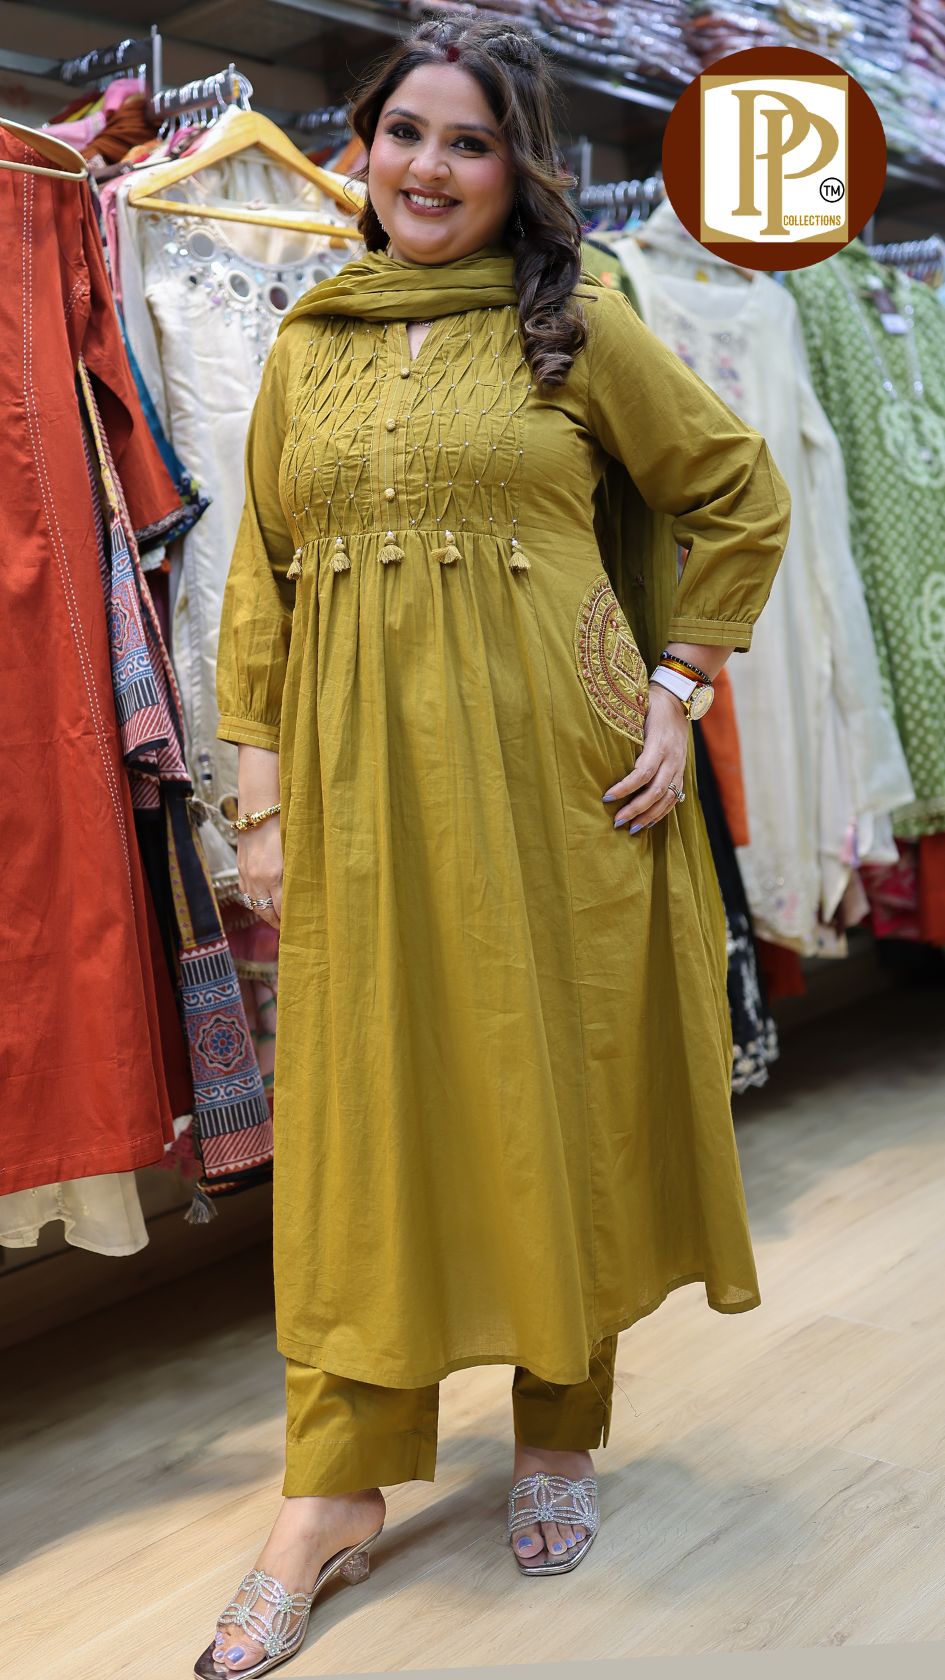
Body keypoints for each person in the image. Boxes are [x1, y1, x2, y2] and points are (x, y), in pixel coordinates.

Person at [197, 16, 790, 1676]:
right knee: (360, 1116)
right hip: (359, 788)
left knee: (550, 1090)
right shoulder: (308, 339)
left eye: (469, 142)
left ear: (516, 169)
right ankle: (330, 1488)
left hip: (560, 782)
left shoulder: (577, 320)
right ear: (362, 147)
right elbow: (264, 581)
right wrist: (258, 799)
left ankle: (556, 1426)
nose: (429, 167)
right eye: (406, 133)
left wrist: (676, 685)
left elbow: (735, 491)